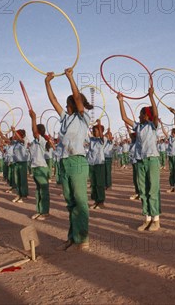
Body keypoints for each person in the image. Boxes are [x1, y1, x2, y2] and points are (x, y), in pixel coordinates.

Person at [46, 68, 92, 251]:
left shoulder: (83, 118)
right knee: (70, 202)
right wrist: (47, 83)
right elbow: (53, 101)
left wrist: (70, 77)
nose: (65, 107)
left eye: (68, 104)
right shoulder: (65, 118)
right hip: (64, 162)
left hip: (77, 162)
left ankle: (83, 240)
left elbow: (78, 98)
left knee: (80, 201)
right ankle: (73, 237)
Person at [118, 87, 161, 231]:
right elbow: (124, 118)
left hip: (152, 159)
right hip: (141, 160)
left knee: (152, 189)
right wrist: (121, 101)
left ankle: (156, 220)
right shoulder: (138, 127)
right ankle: (147, 218)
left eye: (141, 114)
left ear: (147, 116)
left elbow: (156, 114)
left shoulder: (152, 126)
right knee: (143, 189)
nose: (139, 117)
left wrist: (151, 97)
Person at [28, 109, 51, 219]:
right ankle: (39, 210)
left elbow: (34, 132)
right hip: (36, 168)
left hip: (41, 168)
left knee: (43, 191)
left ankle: (45, 211)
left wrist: (33, 118)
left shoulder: (41, 140)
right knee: (38, 191)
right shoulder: (34, 142)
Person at [87, 120, 106, 209]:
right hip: (91, 163)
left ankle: (101, 201)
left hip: (99, 163)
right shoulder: (91, 140)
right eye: (93, 131)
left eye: (96, 131)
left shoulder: (102, 140)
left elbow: (102, 137)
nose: (93, 132)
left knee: (99, 183)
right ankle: (95, 200)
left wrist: (99, 124)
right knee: (93, 183)